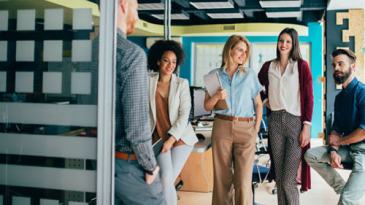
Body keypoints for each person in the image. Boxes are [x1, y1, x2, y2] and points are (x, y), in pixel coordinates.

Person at [114, 0, 165, 204]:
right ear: (124, 5)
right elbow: (136, 127)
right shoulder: (131, 54)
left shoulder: (89, 51)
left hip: (97, 162)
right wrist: (150, 166)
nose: (137, 17)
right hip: (127, 164)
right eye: (136, 9)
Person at [204, 35, 263, 205]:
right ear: (229, 50)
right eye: (239, 50)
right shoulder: (214, 75)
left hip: (246, 128)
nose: (243, 54)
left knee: (243, 182)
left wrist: (256, 128)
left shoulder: (250, 74)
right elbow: (207, 106)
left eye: (245, 51)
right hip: (222, 126)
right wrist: (216, 96)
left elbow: (258, 103)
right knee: (222, 180)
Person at [258, 27, 313, 205]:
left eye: (288, 41)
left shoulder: (301, 66)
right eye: (281, 40)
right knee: (280, 178)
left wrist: (306, 126)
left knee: (289, 180)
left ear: (294, 44)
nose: (284, 44)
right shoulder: (269, 66)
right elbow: (255, 85)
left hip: (295, 123)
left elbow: (309, 98)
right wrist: (265, 99)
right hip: (274, 122)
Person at [305, 49, 365, 205]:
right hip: (348, 148)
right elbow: (337, 127)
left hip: (363, 152)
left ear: (352, 66)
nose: (336, 68)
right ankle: (344, 189)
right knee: (310, 155)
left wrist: (338, 143)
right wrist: (333, 150)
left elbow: (363, 132)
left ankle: (347, 196)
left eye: (341, 64)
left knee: (346, 201)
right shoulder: (340, 97)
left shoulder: (363, 93)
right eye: (334, 65)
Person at [147, 40, 198, 205]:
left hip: (180, 138)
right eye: (166, 60)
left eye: (174, 62)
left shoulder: (181, 84)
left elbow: (184, 115)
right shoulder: (148, 81)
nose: (170, 65)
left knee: (167, 177)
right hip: (159, 138)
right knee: (165, 178)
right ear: (158, 61)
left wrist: (171, 139)